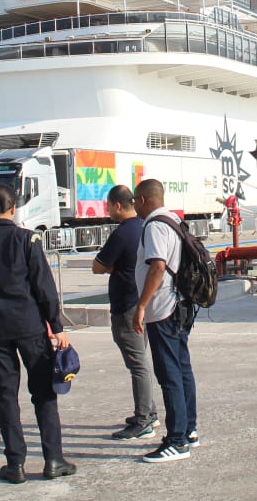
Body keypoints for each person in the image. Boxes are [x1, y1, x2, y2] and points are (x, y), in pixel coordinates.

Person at [0, 184, 76, 484]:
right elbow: (44, 287)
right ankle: (53, 459)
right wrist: (57, 327)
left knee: (5, 396)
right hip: (29, 327)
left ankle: (15, 463)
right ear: (13, 208)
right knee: (43, 393)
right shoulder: (27, 239)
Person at [132, 178, 199, 463]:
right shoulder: (174, 221)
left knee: (169, 374)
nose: (134, 205)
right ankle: (189, 430)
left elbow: (157, 266)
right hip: (180, 305)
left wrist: (141, 305)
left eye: (135, 200)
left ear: (144, 200)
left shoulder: (156, 226)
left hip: (163, 309)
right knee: (182, 369)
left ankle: (176, 441)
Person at [92, 184, 158, 440]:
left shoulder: (121, 234)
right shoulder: (144, 227)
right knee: (141, 359)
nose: (108, 210)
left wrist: (113, 267)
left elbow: (98, 266)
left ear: (117, 205)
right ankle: (148, 412)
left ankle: (144, 420)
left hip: (126, 306)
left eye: (108, 205)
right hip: (140, 302)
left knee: (137, 364)